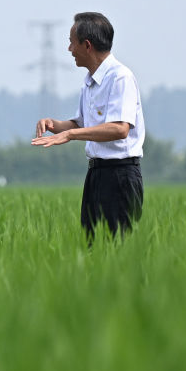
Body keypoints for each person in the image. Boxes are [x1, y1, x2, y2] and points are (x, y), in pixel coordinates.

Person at [32, 12, 145, 242]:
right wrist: (54, 125)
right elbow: (81, 123)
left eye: (72, 43)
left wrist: (71, 134)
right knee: (92, 247)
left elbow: (119, 129)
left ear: (87, 45)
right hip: (95, 174)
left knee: (119, 248)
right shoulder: (90, 82)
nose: (69, 49)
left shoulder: (120, 78)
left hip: (120, 175)